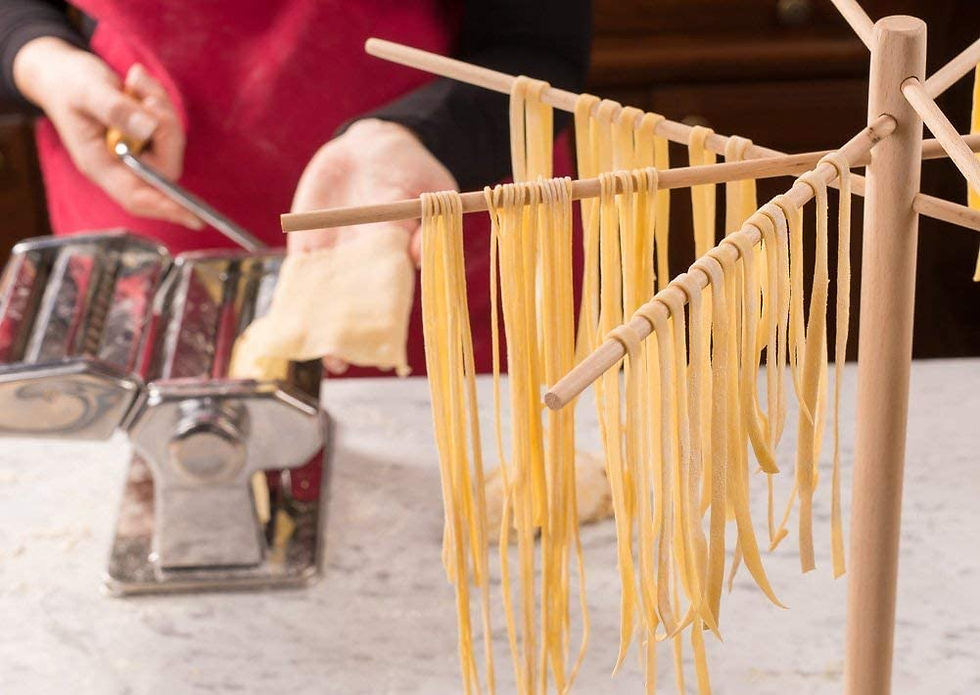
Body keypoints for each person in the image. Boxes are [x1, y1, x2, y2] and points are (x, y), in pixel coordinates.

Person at [0, 0, 591, 374]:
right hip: (150, 231)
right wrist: (40, 59)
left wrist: (414, 136)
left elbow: (536, 47)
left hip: (445, 217)